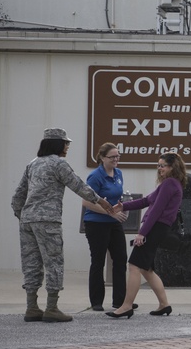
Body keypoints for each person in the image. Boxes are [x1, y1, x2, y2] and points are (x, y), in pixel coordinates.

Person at [11, 128, 115, 323]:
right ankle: (52, 308)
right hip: (48, 220)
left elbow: (17, 196)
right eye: (66, 143)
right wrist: (101, 201)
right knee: (54, 263)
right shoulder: (59, 164)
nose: (67, 146)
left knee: (31, 263)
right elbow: (78, 185)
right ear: (57, 144)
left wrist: (23, 215)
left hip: (27, 220)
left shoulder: (32, 164)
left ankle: (32, 307)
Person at [108, 152, 187, 318]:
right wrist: (123, 207)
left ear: (172, 167)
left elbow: (156, 210)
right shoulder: (170, 184)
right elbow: (146, 201)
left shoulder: (170, 184)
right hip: (159, 227)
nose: (159, 169)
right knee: (146, 269)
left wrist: (142, 233)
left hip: (156, 228)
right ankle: (164, 305)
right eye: (158, 165)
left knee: (134, 265)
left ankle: (126, 306)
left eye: (163, 166)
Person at [82, 142, 130, 311]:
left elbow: (116, 196)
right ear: (102, 158)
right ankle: (96, 301)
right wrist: (110, 212)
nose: (116, 159)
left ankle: (120, 300)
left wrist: (120, 206)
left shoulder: (118, 173)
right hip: (96, 223)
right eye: (112, 157)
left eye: (118, 156)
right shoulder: (95, 176)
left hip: (114, 223)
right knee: (98, 261)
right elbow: (87, 202)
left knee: (120, 259)